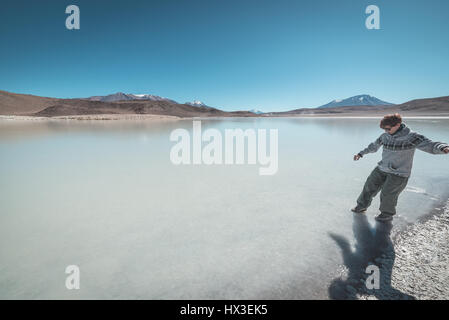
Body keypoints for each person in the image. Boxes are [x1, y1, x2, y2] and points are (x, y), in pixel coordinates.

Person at [352, 113, 449, 222]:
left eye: (388, 129)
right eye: (384, 129)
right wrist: (361, 154)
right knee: (369, 187)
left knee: (388, 194)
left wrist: (443, 148)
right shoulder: (385, 136)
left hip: (399, 173)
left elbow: (430, 144)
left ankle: (386, 215)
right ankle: (361, 206)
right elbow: (373, 146)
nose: (386, 131)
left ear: (398, 125)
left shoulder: (412, 137)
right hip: (382, 168)